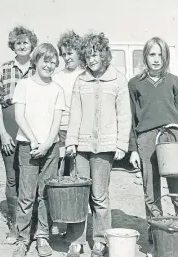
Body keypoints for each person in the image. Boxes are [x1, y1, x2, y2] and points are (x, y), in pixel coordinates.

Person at [65, 32, 131, 257]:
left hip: (105, 148)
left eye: (95, 55)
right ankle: (76, 241)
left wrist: (122, 143)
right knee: (79, 194)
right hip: (81, 146)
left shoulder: (118, 79)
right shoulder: (80, 80)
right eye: (88, 56)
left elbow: (124, 115)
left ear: (104, 54)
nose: (92, 60)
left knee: (99, 196)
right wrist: (71, 141)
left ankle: (101, 241)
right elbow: (75, 113)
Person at [12, 43, 65, 257]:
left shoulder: (57, 90)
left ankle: (43, 236)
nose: (49, 66)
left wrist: (46, 144)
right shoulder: (24, 85)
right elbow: (19, 116)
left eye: (54, 62)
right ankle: (22, 239)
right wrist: (34, 142)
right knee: (26, 195)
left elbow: (56, 122)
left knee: (45, 194)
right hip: (27, 147)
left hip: (50, 148)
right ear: (36, 60)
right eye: (46, 61)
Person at [128, 37, 178, 254]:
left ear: (166, 56)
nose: (156, 59)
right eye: (152, 54)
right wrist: (132, 149)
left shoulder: (174, 81)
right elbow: (130, 119)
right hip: (146, 139)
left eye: (160, 54)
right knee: (151, 188)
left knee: (176, 187)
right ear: (145, 56)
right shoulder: (134, 84)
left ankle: (176, 226)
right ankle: (155, 227)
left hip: (172, 137)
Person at [0, 26, 38, 244]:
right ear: (13, 45)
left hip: (31, 127)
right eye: (18, 42)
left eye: (26, 42)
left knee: (29, 176)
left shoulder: (38, 68)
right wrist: (3, 133)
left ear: (32, 45)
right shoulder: (3, 69)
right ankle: (14, 224)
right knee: (12, 176)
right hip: (9, 127)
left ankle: (32, 225)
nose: (22, 46)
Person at [53, 30, 83, 176]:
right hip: (62, 129)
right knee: (61, 170)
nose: (67, 57)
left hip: (81, 130)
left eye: (70, 53)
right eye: (64, 54)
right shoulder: (57, 77)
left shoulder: (86, 75)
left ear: (78, 52)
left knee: (78, 171)